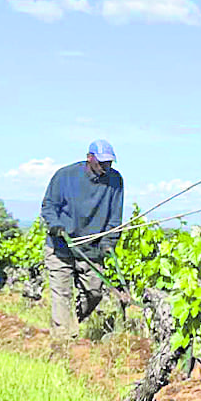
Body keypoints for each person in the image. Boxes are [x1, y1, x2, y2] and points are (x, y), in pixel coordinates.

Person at [40, 140, 124, 341]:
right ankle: (62, 340)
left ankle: (72, 322)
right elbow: (49, 206)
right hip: (61, 246)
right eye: (102, 162)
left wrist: (108, 242)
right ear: (89, 158)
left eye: (109, 163)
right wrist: (55, 225)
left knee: (94, 292)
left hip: (90, 249)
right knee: (62, 294)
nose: (106, 167)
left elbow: (115, 217)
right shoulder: (65, 176)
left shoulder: (115, 181)